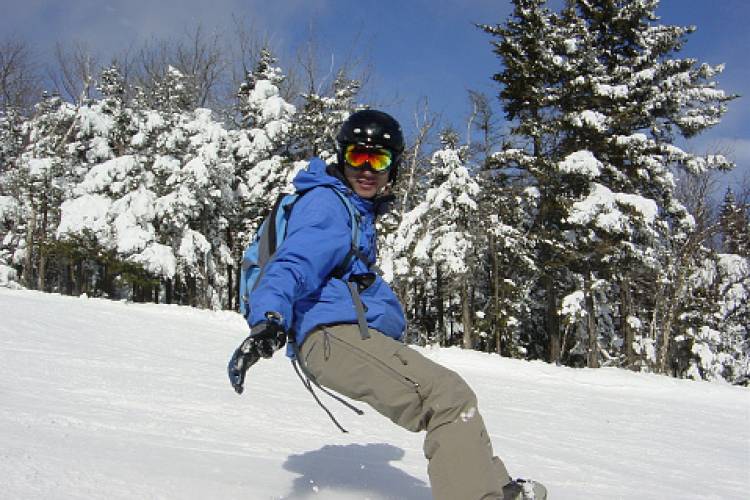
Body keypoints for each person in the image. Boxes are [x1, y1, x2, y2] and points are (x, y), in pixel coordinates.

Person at [227, 109, 546, 500]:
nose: (366, 169)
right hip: (329, 336)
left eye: (378, 159)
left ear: (392, 166)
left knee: (452, 395)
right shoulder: (327, 204)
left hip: (340, 335)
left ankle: (494, 487)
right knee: (446, 397)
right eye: (357, 157)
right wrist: (270, 319)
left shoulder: (354, 211)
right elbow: (292, 264)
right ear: (341, 157)